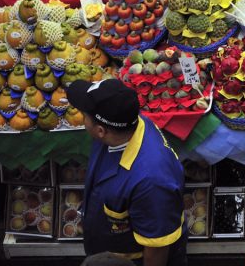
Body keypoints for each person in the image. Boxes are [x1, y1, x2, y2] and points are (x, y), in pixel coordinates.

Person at [67, 78, 187, 266]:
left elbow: (156, 252)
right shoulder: (127, 125)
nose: (82, 118)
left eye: (84, 115)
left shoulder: (151, 182)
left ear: (100, 131)